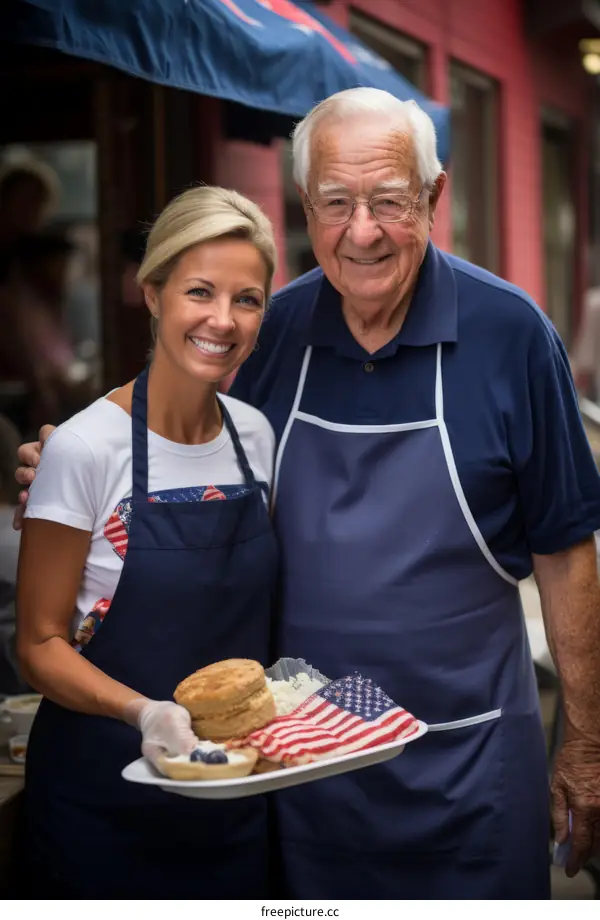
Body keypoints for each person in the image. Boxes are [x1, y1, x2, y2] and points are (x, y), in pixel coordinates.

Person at [14, 88, 600, 899]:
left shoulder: (512, 335)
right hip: (295, 773)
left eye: (390, 201)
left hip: (466, 767)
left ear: (433, 197)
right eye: (336, 202)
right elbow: (173, 413)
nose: (362, 231)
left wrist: (587, 744)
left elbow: (568, 549)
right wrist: (73, 460)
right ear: (305, 205)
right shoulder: (273, 329)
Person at [14, 186, 278, 897]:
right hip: (104, 804)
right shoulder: (82, 448)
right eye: (199, 291)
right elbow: (38, 644)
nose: (223, 320)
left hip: (233, 800)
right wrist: (145, 711)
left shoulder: (257, 437)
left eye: (247, 299)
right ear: (152, 293)